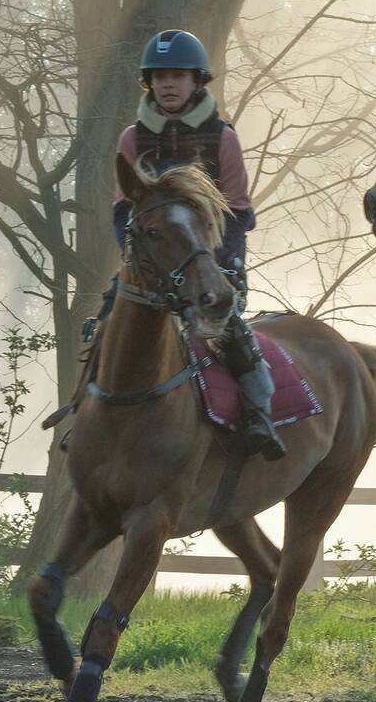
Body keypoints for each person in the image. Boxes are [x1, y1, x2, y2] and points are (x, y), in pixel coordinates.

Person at [95, 28, 283, 460]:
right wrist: (132, 252)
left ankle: (260, 416)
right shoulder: (131, 140)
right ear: (149, 83)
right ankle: (83, 414)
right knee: (104, 326)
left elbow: (238, 212)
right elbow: (124, 210)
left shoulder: (223, 139)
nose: (168, 84)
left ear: (197, 81)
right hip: (152, 263)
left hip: (211, 259)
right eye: (160, 76)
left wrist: (223, 265)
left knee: (233, 333)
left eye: (178, 75)